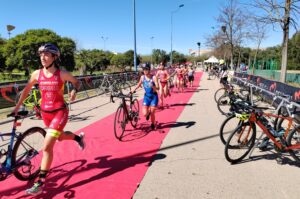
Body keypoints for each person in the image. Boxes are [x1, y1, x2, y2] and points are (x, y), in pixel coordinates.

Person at [14, 43, 86, 195]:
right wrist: (17, 107)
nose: (43, 57)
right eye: (41, 55)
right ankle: (78, 138)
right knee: (59, 138)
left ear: (54, 57)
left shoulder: (62, 74)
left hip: (60, 112)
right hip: (46, 114)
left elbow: (77, 82)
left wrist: (73, 91)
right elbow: (26, 91)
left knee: (47, 147)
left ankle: (39, 184)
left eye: (46, 54)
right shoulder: (36, 74)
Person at [131, 62, 159, 130]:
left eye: (146, 69)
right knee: (144, 114)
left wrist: (153, 86)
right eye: (144, 69)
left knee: (152, 112)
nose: (145, 71)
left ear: (149, 69)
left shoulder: (154, 77)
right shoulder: (142, 77)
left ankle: (153, 123)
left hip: (154, 97)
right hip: (146, 97)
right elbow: (138, 84)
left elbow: (158, 87)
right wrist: (133, 90)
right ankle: (148, 113)